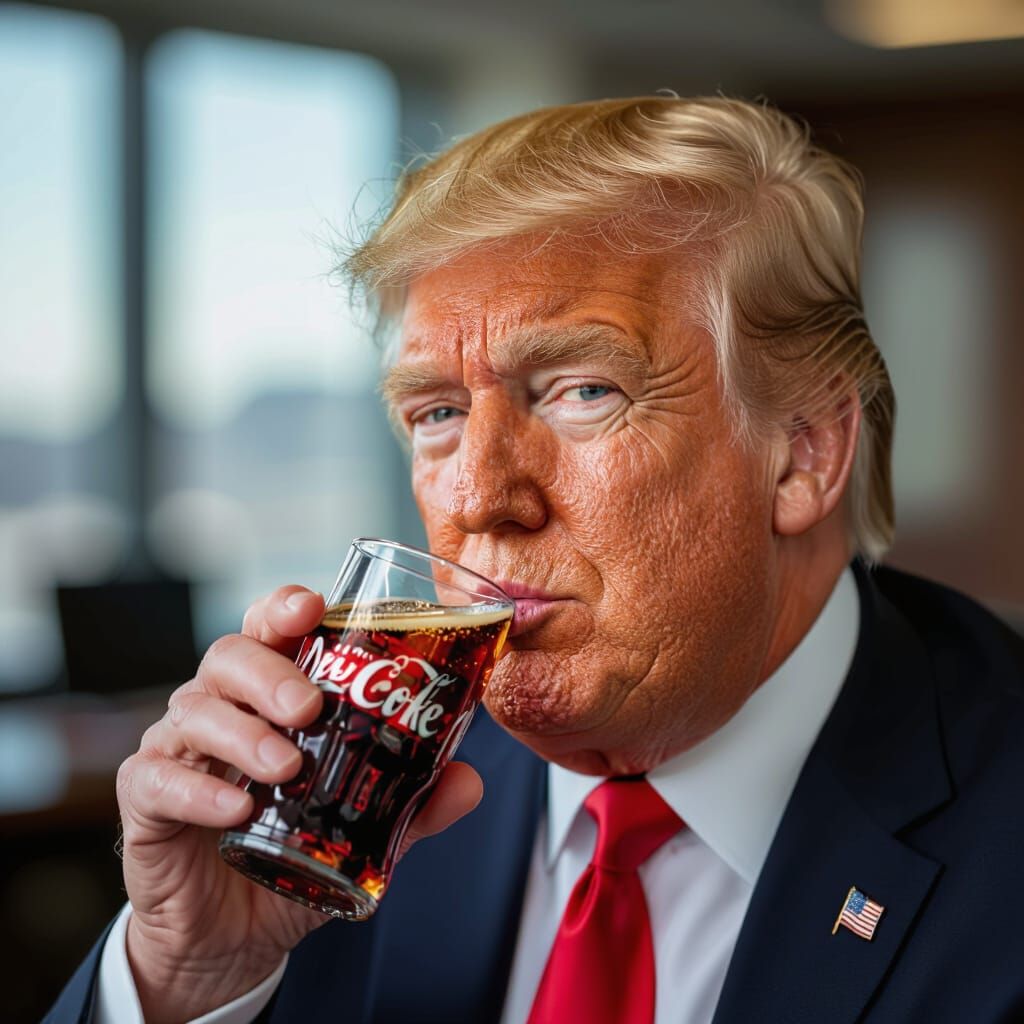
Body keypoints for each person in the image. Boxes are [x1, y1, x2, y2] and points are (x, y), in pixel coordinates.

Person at [47, 97, 1024, 1024]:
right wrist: (187, 980)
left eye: (582, 391)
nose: (476, 495)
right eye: (435, 413)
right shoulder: (338, 789)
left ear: (803, 451)